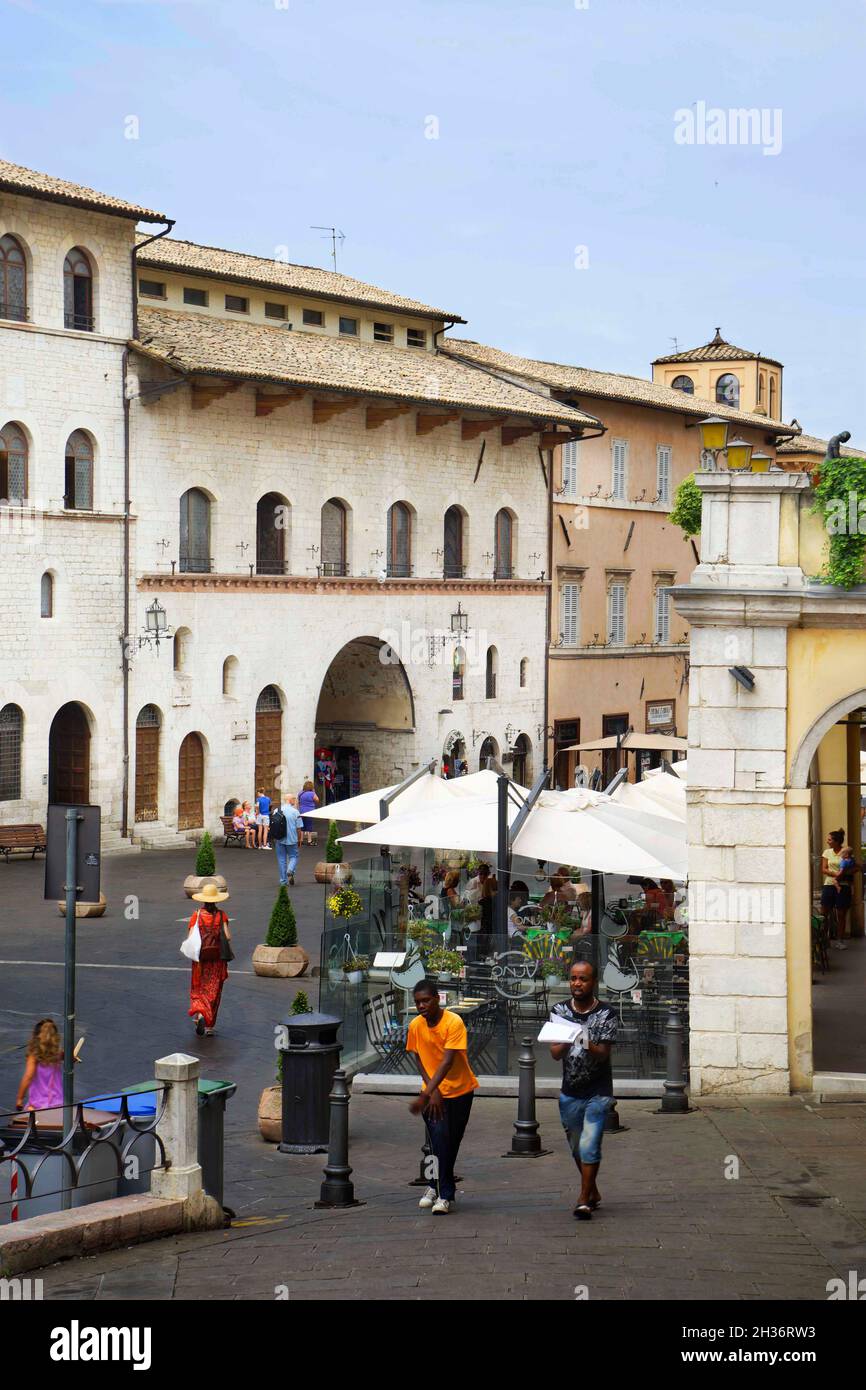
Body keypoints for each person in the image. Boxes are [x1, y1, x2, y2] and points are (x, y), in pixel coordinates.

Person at [548, 961, 618, 1220]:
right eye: (573, 978)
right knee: (577, 1147)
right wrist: (567, 1038)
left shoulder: (607, 1013)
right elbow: (555, 1054)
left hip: (598, 1091)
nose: (577, 983)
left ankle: (583, 1199)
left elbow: (603, 1055)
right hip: (570, 1091)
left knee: (590, 1144)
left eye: (583, 979)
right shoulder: (559, 1011)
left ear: (593, 982)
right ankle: (593, 1191)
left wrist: (584, 1039)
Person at [407, 978, 478, 1215]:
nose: (421, 1006)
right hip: (432, 1094)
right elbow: (418, 1057)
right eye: (418, 1002)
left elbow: (447, 1061)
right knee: (437, 1141)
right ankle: (444, 1193)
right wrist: (431, 1092)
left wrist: (428, 1093)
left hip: (460, 1091)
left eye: (426, 1001)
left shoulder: (453, 1022)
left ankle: (433, 1185)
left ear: (437, 999)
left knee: (451, 1143)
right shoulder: (416, 1025)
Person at [187, 881, 232, 1036]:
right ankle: (210, 1026)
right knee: (213, 990)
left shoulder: (197, 915)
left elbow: (190, 937)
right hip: (217, 958)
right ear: (217, 900)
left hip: (201, 959)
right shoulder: (221, 915)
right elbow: (228, 936)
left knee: (199, 988)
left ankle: (200, 1014)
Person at [15, 1018, 70, 1112]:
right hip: (58, 1104)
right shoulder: (58, 1054)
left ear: (36, 1037)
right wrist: (72, 1057)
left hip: (37, 1106)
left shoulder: (34, 1056)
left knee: (20, 1119)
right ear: (56, 1037)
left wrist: (19, 1099)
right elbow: (69, 1057)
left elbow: (28, 1077)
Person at [821, 829, 845, 945]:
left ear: (837, 842)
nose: (827, 841)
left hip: (842, 885)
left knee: (841, 914)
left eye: (830, 839)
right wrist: (835, 874)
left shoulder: (846, 852)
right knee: (824, 912)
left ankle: (840, 940)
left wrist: (842, 874)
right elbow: (823, 869)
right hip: (829, 885)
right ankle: (824, 938)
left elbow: (852, 866)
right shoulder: (827, 852)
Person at [274, 794, 303, 887]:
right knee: (294, 856)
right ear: (290, 800)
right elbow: (299, 828)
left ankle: (283, 881)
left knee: (281, 859)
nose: (295, 800)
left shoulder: (276, 811)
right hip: (292, 838)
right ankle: (290, 870)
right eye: (294, 799)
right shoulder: (296, 812)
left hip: (279, 838)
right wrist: (299, 839)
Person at [834, 844, 858, 947]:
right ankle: (838, 940)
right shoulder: (850, 860)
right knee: (841, 914)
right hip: (844, 888)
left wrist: (837, 877)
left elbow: (845, 872)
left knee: (842, 914)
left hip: (843, 888)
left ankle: (840, 940)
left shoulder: (845, 862)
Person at [298, 779, 319, 846]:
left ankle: (301, 840)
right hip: (310, 811)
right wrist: (314, 792)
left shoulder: (300, 793)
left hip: (302, 811)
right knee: (309, 825)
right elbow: (317, 800)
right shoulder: (312, 793)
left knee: (302, 826)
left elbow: (298, 801)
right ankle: (309, 840)